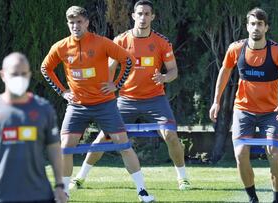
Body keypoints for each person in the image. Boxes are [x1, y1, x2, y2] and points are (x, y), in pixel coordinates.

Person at [70, 0, 190, 191]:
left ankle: (183, 178)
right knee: (104, 137)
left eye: (147, 14)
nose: (143, 18)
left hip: (155, 99)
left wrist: (164, 77)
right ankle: (79, 177)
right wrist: (109, 89)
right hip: (126, 100)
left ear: (153, 17)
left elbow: (174, 71)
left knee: (171, 135)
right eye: (139, 14)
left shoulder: (162, 42)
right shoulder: (120, 40)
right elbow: (110, 68)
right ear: (133, 16)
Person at [40, 5, 154, 202]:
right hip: (77, 106)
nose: (75, 26)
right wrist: (62, 91)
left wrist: (116, 84)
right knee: (65, 147)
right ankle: (63, 193)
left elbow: (127, 60)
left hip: (105, 104)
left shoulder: (102, 43)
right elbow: (45, 68)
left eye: (79, 22)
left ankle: (142, 191)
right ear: (68, 24)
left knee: (123, 144)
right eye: (71, 22)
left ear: (87, 23)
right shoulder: (60, 46)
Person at [209, 8, 278, 203]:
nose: (255, 28)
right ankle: (252, 198)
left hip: (270, 112)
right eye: (252, 24)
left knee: (274, 153)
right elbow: (224, 72)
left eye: (260, 24)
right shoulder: (236, 49)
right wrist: (216, 101)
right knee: (240, 153)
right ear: (247, 26)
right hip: (243, 110)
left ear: (266, 27)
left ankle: (277, 200)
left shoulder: (277, 51)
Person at [0, 52, 67, 203]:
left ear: (29, 75)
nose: (19, 78)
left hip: (40, 195)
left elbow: (54, 148)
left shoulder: (43, 109)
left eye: (23, 73)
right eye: (14, 74)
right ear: (3, 75)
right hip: (1, 195)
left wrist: (59, 185)